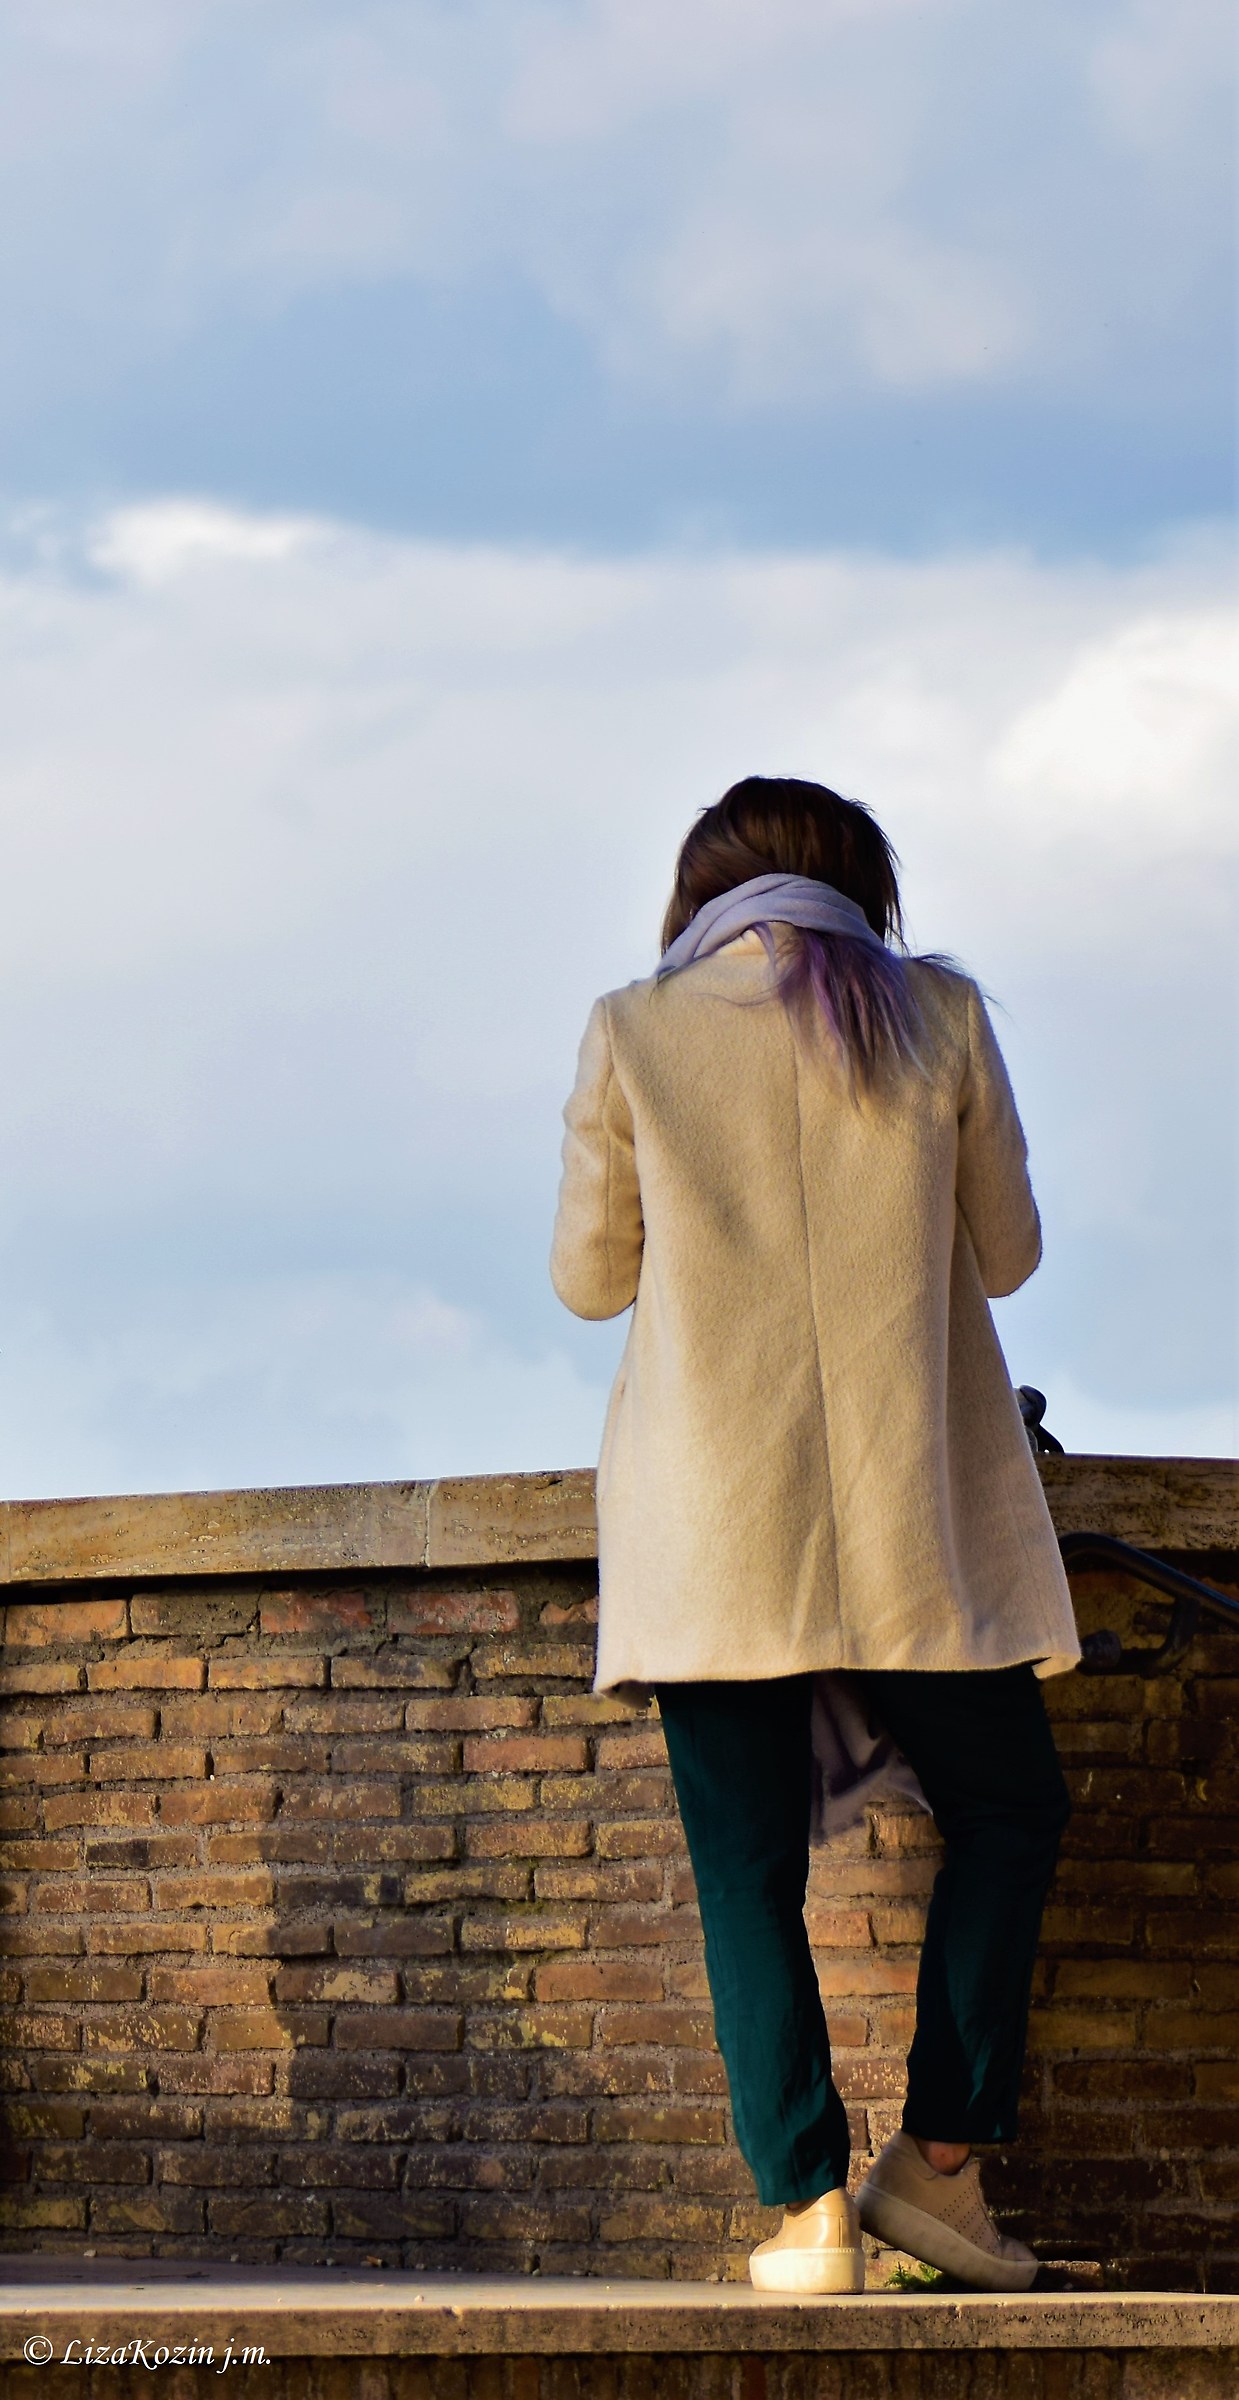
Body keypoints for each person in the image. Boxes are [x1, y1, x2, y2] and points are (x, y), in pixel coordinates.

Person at [550, 777, 1078, 2296]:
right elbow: (1011, 1252)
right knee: (1010, 1811)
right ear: (868, 885)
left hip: (716, 1529)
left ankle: (810, 2212)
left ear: (696, 893)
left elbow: (591, 1281)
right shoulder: (941, 1019)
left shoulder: (633, 1031)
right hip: (920, 1526)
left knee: (746, 1871)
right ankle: (943, 2168)